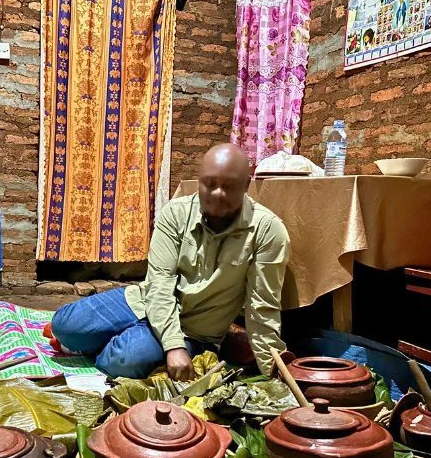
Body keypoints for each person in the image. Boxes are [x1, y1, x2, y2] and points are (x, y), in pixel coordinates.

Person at [49, 143, 292, 381]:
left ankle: (109, 346)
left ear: (246, 186)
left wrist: (275, 372)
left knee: (123, 361)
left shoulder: (268, 231)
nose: (217, 194)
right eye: (209, 184)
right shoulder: (175, 214)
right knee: (64, 324)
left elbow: (262, 309)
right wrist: (173, 347)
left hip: (195, 331)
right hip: (145, 301)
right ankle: (112, 338)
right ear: (199, 182)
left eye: (229, 186)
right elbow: (160, 283)